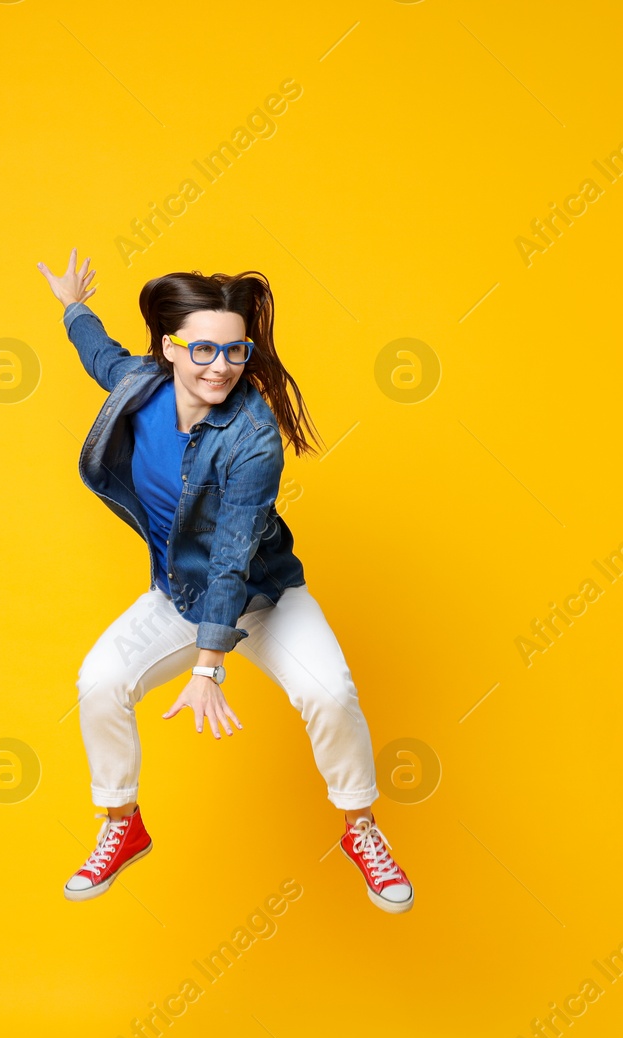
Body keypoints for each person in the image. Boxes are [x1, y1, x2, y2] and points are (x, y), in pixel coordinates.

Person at [35, 249, 415, 914]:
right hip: (181, 596)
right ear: (169, 347)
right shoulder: (138, 383)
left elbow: (233, 556)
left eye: (235, 353)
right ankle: (122, 822)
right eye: (204, 350)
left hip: (264, 598)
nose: (221, 367)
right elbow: (99, 352)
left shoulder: (252, 436)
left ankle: (363, 829)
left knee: (331, 693)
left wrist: (208, 668)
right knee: (98, 681)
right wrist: (73, 306)